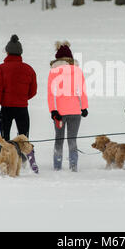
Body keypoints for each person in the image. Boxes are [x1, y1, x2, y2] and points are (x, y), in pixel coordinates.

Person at [0, 35, 39, 174]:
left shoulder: (0, 68)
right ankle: (27, 161)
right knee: (24, 137)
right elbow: (33, 91)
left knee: (4, 138)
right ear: (20, 53)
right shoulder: (29, 69)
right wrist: (22, 98)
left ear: (7, 52)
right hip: (22, 108)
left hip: (5, 109)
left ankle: (3, 162)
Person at [47, 41, 88, 172]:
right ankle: (73, 166)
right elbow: (82, 91)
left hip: (59, 112)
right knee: (72, 140)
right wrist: (84, 107)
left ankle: (57, 166)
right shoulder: (78, 71)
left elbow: (50, 93)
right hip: (75, 111)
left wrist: (53, 110)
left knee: (59, 140)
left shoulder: (53, 72)